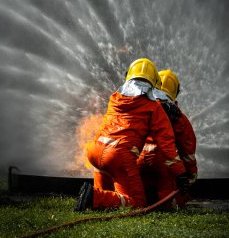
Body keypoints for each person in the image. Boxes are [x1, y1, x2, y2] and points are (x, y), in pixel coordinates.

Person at [74, 58, 189, 212]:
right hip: (118, 157)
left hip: (95, 150)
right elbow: (167, 145)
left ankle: (93, 198)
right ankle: (93, 197)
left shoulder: (115, 98)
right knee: (136, 202)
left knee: (110, 198)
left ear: (128, 76)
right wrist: (181, 173)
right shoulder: (153, 108)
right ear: (154, 83)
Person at [138, 69, 198, 208]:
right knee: (175, 200)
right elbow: (187, 148)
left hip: (138, 159)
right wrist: (190, 172)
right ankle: (162, 200)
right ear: (175, 93)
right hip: (164, 162)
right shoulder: (179, 117)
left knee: (135, 193)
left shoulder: (142, 106)